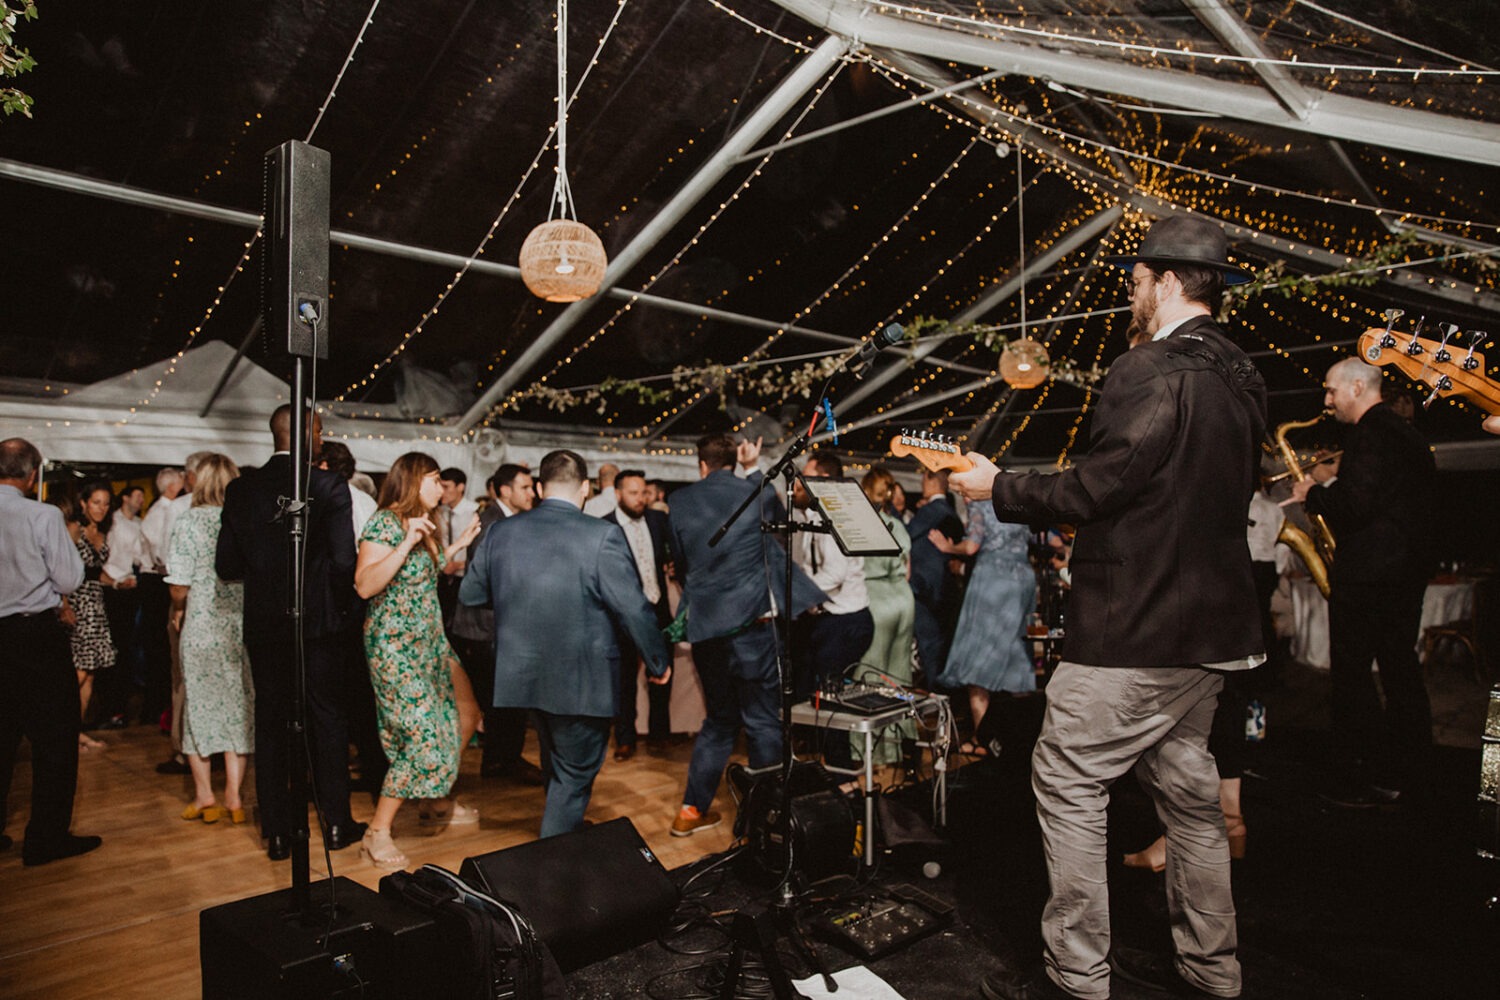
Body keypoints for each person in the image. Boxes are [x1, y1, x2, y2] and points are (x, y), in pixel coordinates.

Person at [952, 215, 1268, 1000]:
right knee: (1191, 797)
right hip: (1214, 632)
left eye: (1133, 283)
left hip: (1136, 628)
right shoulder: (1242, 376)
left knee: (1067, 778)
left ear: (1165, 283)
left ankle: (1078, 977)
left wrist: (1000, 487)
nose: (1130, 296)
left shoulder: (1148, 368)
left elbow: (1102, 486)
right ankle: (1212, 971)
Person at [460, 450, 670, 838]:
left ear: (540, 487)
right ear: (587, 489)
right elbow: (634, 609)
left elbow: (472, 594)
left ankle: (565, 830)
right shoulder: (602, 534)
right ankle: (554, 860)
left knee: (556, 759)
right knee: (574, 775)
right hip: (580, 676)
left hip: (525, 671)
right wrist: (658, 661)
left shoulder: (502, 531)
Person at [216, 405, 364, 862]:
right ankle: (336, 823)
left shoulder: (242, 490)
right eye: (320, 432)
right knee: (326, 718)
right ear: (306, 434)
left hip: (264, 625)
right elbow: (344, 563)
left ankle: (278, 833)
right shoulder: (328, 486)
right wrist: (340, 609)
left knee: (271, 722)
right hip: (319, 625)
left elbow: (226, 566)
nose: (323, 439)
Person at [1286, 358, 1436, 805]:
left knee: (1352, 678)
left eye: (1332, 391)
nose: (1327, 401)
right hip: (1400, 573)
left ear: (1357, 387)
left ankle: (1364, 774)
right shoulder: (1403, 432)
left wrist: (1310, 494)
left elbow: (1353, 506)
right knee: (1399, 670)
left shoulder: (1372, 433)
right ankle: (1410, 768)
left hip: (1370, 576)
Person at [666, 434, 825, 837]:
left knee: (719, 720)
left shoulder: (680, 501)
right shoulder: (754, 492)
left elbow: (680, 562)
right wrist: (754, 467)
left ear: (701, 464)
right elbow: (774, 517)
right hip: (755, 628)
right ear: (734, 459)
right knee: (762, 722)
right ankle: (766, 819)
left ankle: (690, 811)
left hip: (707, 631)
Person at [355, 452, 482, 868]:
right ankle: (378, 832)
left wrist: (457, 546)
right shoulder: (385, 523)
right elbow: (365, 585)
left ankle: (434, 799)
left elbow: (422, 574)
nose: (441, 487)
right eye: (434, 479)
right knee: (423, 734)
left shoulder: (428, 524)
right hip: (395, 645)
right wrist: (407, 541)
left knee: (466, 715)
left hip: (430, 641)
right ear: (412, 481)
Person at [0, 438, 101, 866]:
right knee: (56, 736)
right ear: (32, 474)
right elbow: (69, 578)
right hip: (34, 634)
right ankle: (45, 839)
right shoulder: (40, 515)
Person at [165, 454, 254, 826]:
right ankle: (234, 797)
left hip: (201, 624)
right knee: (238, 708)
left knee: (198, 708)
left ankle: (205, 796)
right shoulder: (244, 521)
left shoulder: (186, 522)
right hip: (239, 625)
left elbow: (179, 585)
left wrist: (179, 606)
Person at [451, 464, 545, 784]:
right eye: (526, 487)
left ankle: (501, 761)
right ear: (505, 490)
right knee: (500, 701)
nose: (532, 493)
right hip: (486, 628)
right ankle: (502, 763)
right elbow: (483, 582)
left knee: (505, 701)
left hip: (497, 626)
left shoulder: (508, 520)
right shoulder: (493, 524)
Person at [928, 492, 1037, 747]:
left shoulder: (979, 503)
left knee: (977, 659)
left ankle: (983, 739)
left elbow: (972, 545)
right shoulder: (1017, 499)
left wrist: (948, 547)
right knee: (1017, 655)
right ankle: (1020, 740)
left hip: (993, 580)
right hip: (1023, 578)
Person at [602, 470, 675, 760]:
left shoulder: (658, 520)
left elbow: (671, 553)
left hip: (658, 611)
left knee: (662, 675)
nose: (640, 498)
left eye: (643, 492)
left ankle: (659, 735)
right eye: (633, 493)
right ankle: (625, 738)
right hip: (622, 617)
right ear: (618, 494)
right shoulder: (605, 528)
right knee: (624, 681)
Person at [854, 466, 916, 765]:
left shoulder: (861, 525)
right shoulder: (897, 524)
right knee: (899, 676)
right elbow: (907, 570)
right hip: (903, 600)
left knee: (870, 676)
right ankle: (899, 745)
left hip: (876, 598)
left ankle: (871, 752)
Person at [66, 481, 120, 751]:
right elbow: (62, 568)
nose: (101, 508)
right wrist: (64, 605)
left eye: (106, 503)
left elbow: (96, 573)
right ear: (84, 503)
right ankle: (63, 734)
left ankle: (76, 732)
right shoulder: (75, 529)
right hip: (77, 604)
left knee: (90, 674)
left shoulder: (102, 530)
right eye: (96, 502)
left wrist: (119, 583)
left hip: (96, 603)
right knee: (78, 673)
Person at [138, 467, 184, 742]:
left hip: (157, 580)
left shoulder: (163, 508)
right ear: (170, 487)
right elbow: (159, 551)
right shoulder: (165, 510)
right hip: (157, 581)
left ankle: (158, 708)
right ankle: (157, 709)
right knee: (159, 647)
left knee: (159, 648)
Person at [905, 467, 964, 679]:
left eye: (923, 480)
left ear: (931, 481)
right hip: (941, 585)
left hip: (924, 586)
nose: (922, 485)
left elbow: (904, 536)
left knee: (929, 642)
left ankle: (935, 689)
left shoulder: (933, 510)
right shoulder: (949, 511)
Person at [98, 485, 145, 730]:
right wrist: (116, 582)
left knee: (126, 649)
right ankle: (108, 708)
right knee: (112, 649)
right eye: (137, 495)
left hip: (130, 587)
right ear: (125, 497)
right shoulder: (112, 522)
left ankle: (120, 708)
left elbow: (139, 555)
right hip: (110, 588)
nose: (141, 500)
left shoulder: (139, 523)